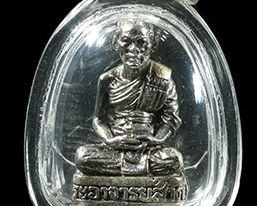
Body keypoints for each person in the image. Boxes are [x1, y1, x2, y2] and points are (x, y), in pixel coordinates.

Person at [75, 19, 184, 177]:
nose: (133, 49)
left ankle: (124, 172)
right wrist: (110, 140)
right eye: (126, 41)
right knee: (83, 157)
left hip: (148, 148)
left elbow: (171, 119)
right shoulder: (107, 79)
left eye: (142, 43)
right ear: (116, 43)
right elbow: (98, 119)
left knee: (174, 160)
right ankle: (135, 173)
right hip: (115, 147)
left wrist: (156, 140)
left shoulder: (163, 79)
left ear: (153, 45)